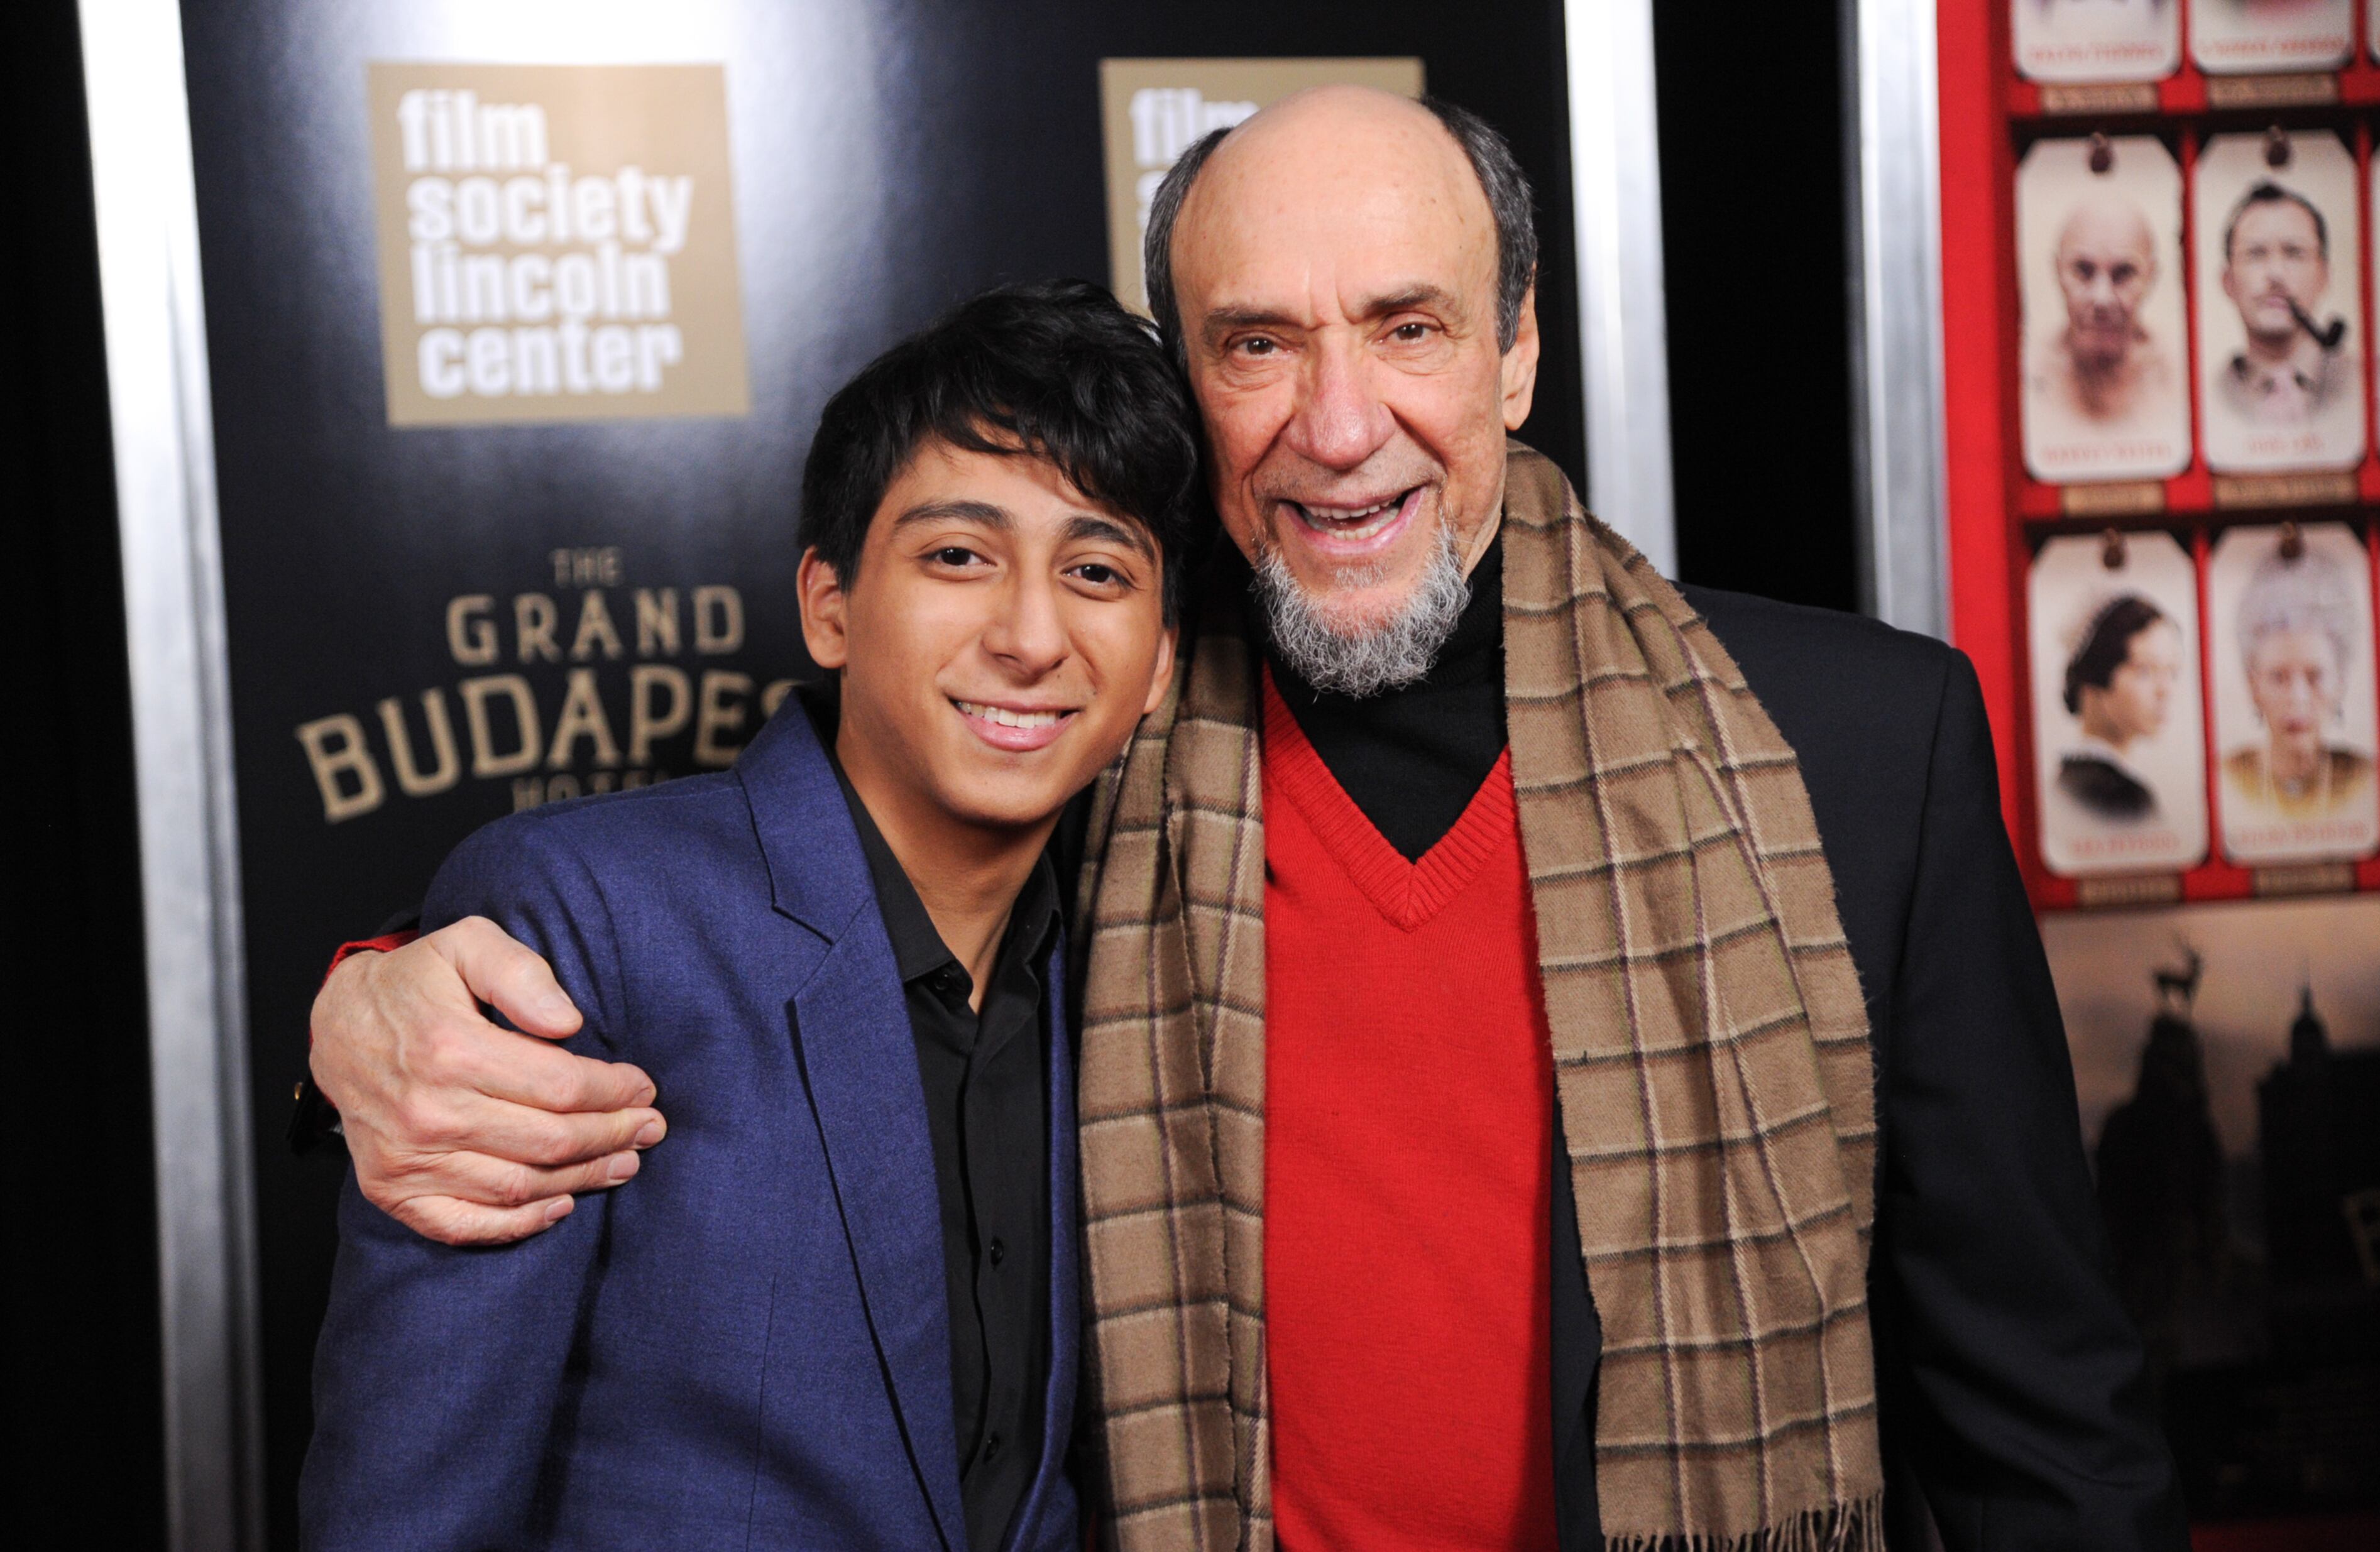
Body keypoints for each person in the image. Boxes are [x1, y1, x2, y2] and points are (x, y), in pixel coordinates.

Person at [304, 89, 2185, 1551]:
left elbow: (2036, 1403)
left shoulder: (1854, 749)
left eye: (1408, 327)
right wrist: (366, 1007)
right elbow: (784, 904)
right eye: (1257, 342)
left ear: (1515, 354)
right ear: (1186, 391)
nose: (1339, 419)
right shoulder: (1093, 738)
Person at [299, 281, 1190, 1551]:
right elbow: (409, 1508)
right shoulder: (587, 922)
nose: (1032, 634)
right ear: (828, 601)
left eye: (1097, 570)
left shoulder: (1135, 971)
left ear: (1159, 658)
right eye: (958, 556)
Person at [2222, 544, 2371, 817]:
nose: (2297, 698)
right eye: (2278, 678)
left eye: (2315, 677)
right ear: (2253, 684)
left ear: (2341, 682)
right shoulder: (2227, 778)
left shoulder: (2364, 779)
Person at [2028, 199, 2178, 427]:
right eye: (2083, 271)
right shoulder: (2027, 374)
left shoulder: (2178, 376)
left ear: (2151, 277)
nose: (2102, 298)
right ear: (2058, 271)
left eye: (2124, 273)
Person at [2215, 181, 2355, 424]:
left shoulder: (2368, 385)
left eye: (2294, 252)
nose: (2276, 274)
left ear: (2324, 276)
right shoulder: (2209, 397)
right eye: (2256, 254)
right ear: (2228, 281)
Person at [2058, 593, 2181, 820]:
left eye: (2171, 672)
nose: (2165, 691)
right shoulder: (2119, 798)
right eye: (2145, 671)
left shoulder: (2071, 776)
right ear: (2094, 680)